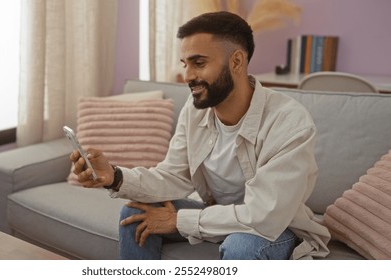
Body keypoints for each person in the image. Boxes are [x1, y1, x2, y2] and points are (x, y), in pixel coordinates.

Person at [70, 11, 330, 260]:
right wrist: (114, 176)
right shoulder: (195, 111)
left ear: (236, 61)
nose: (188, 76)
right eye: (185, 64)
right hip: (215, 214)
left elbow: (265, 216)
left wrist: (180, 221)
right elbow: (173, 176)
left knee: (240, 245)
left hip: (275, 228)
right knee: (134, 214)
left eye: (199, 63)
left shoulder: (289, 121)